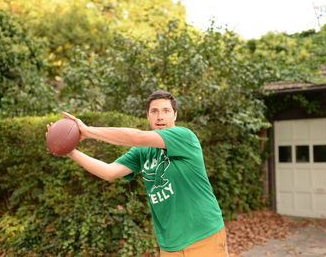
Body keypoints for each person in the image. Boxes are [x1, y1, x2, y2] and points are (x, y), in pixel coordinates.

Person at [48, 90, 228, 256]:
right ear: (148, 116)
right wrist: (70, 150)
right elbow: (109, 172)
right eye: (154, 111)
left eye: (166, 111)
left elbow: (137, 137)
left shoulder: (184, 137)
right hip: (170, 243)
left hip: (203, 234)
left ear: (175, 115)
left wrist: (88, 131)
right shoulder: (143, 152)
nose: (160, 117)